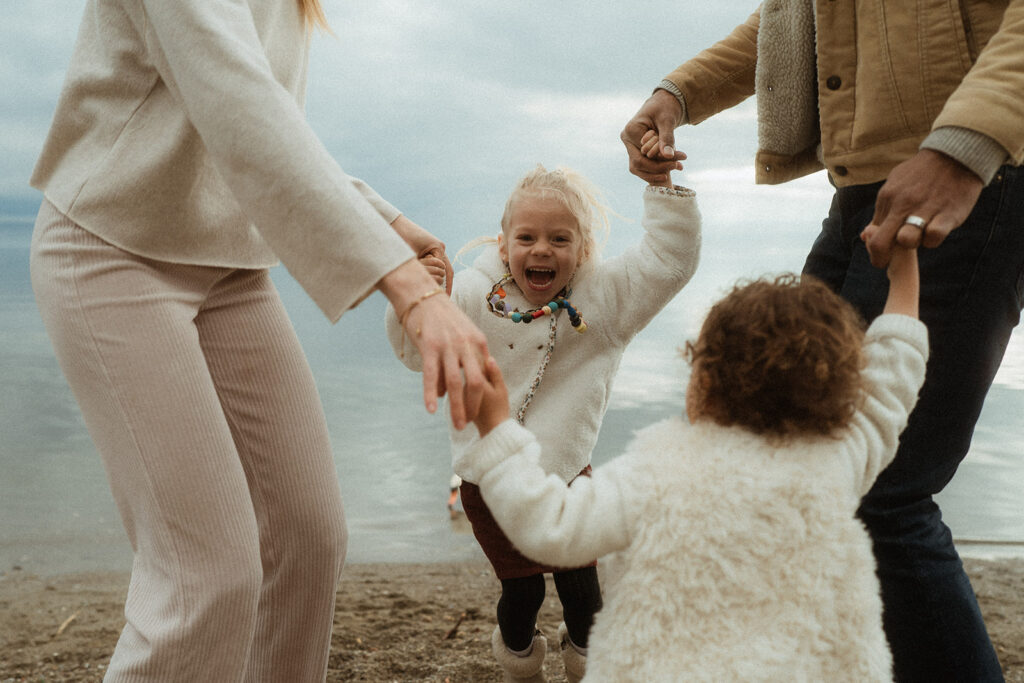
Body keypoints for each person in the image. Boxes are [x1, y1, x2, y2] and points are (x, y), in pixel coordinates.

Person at [28, 1, 488, 680]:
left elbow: (268, 115)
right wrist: (408, 289)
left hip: (229, 267)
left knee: (307, 539)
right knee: (206, 575)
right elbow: (232, 98)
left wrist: (380, 217)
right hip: (110, 249)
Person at [621, 4, 1023, 680]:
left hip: (975, 180)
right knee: (785, 455)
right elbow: (795, 17)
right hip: (863, 190)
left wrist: (965, 147)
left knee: (881, 490)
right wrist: (679, 92)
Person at [465, 246, 927, 681]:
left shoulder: (659, 471)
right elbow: (894, 375)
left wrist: (498, 433)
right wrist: (904, 266)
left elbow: (553, 529)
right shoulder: (838, 459)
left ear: (703, 381)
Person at [386, 160, 700, 682]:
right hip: (487, 484)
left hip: (568, 478)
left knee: (586, 599)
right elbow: (416, 356)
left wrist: (662, 189)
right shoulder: (470, 295)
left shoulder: (603, 300)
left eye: (560, 238)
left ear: (582, 249)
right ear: (504, 243)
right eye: (527, 237)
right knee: (524, 591)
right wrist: (420, 297)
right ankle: (520, 666)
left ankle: (585, 669)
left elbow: (668, 263)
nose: (542, 250)